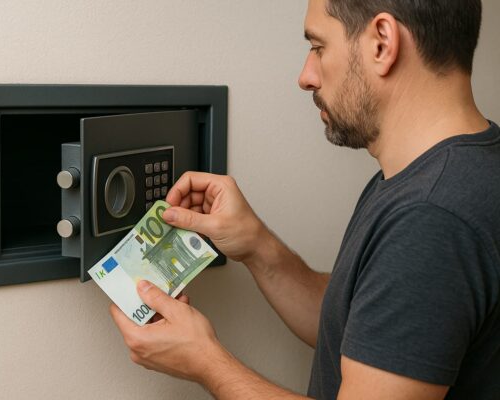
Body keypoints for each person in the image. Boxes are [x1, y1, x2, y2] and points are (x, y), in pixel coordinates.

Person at [110, 0, 500, 398]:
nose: (306, 77)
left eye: (318, 47)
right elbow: (369, 331)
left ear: (382, 43)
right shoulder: (444, 174)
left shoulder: (432, 217)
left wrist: (204, 360)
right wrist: (257, 246)